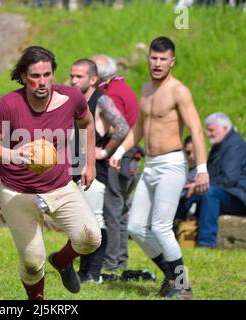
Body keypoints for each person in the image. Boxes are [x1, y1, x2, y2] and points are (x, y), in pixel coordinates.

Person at [0, 46, 101, 300]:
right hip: (16, 191)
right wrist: (13, 155)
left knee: (90, 238)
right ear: (23, 76)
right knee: (33, 263)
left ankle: (62, 261)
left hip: (59, 186)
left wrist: (89, 163)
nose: (42, 82)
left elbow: (86, 123)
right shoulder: (8, 105)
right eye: (35, 76)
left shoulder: (72, 98)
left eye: (47, 74)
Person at [109, 36, 210, 300]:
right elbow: (140, 128)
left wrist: (201, 168)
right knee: (135, 226)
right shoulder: (145, 89)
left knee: (160, 226)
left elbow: (197, 130)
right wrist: (119, 151)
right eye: (153, 57)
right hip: (151, 165)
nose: (157, 63)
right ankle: (170, 276)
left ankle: (183, 284)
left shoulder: (179, 90)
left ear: (171, 61)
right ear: (148, 59)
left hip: (172, 164)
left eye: (163, 59)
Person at [69, 58, 129, 283]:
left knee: (95, 222)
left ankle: (93, 274)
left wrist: (104, 151)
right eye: (72, 76)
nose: (73, 80)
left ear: (93, 79)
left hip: (96, 171)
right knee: (81, 223)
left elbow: (122, 126)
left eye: (79, 77)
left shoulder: (100, 100)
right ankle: (84, 272)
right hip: (73, 169)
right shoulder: (71, 100)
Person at [91, 53, 140, 274]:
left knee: (111, 212)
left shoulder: (111, 93)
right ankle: (120, 261)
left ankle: (109, 263)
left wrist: (106, 149)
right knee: (119, 214)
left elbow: (118, 128)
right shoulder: (123, 87)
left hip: (120, 158)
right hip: (131, 158)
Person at [194, 113, 246, 247]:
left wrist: (200, 184)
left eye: (211, 130)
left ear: (224, 128)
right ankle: (170, 230)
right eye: (207, 130)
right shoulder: (220, 144)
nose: (208, 134)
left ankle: (207, 242)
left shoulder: (234, 145)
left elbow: (228, 179)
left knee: (209, 192)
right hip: (235, 193)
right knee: (190, 190)